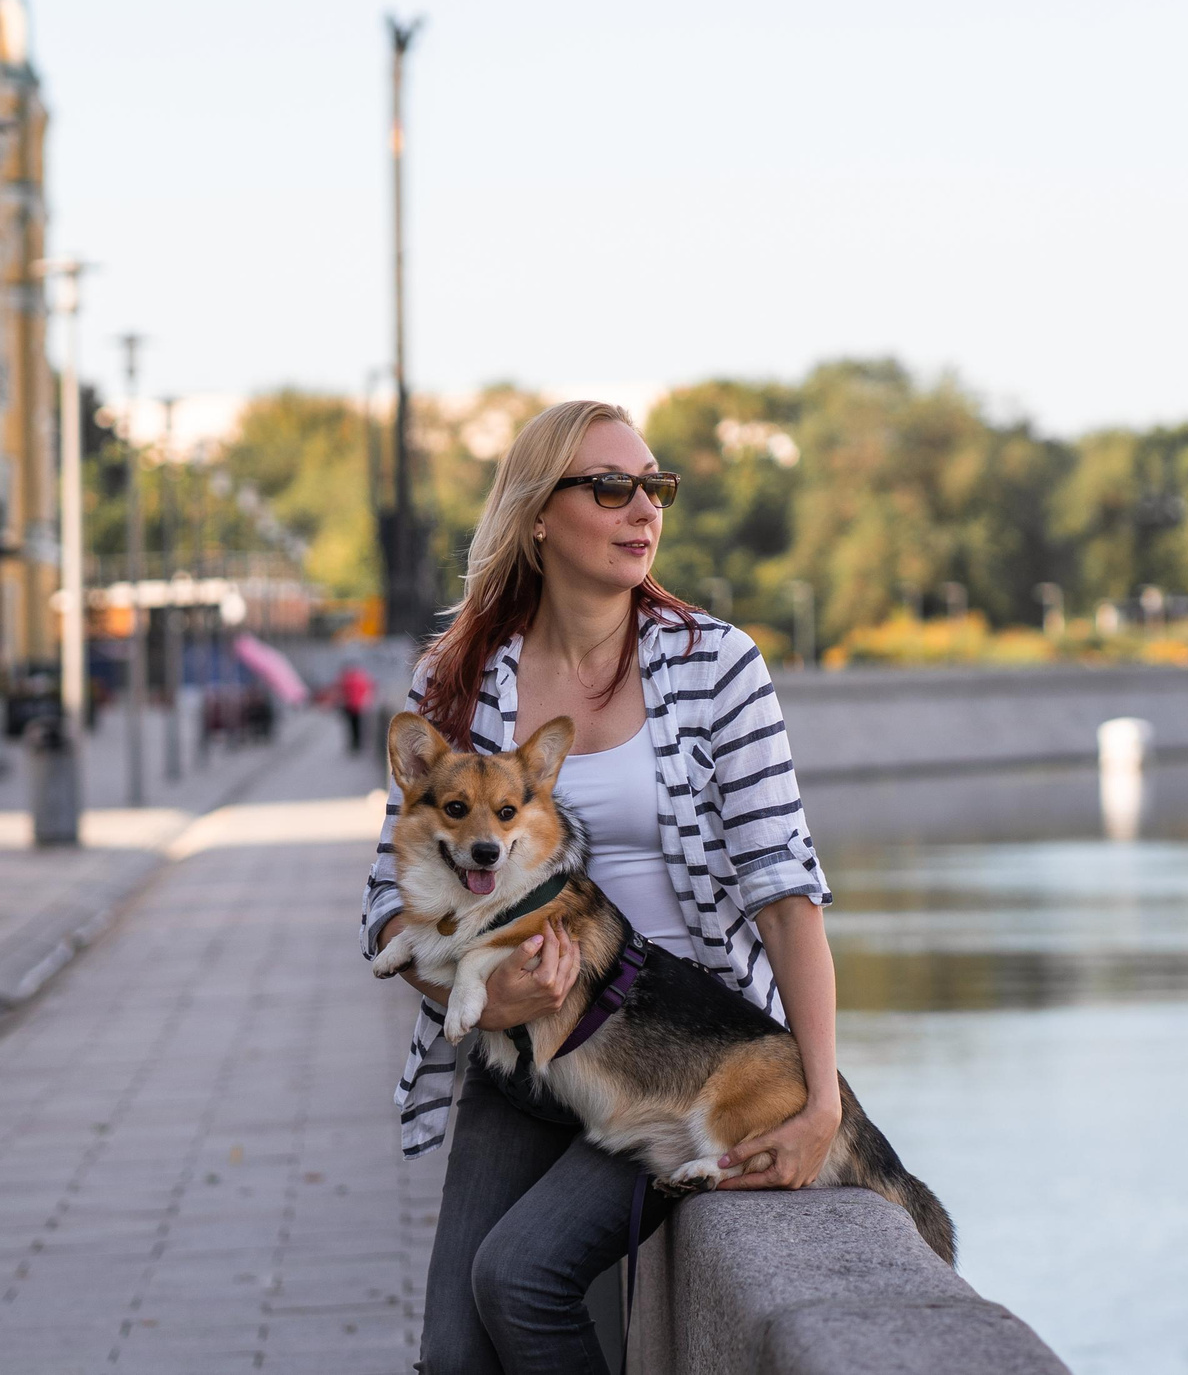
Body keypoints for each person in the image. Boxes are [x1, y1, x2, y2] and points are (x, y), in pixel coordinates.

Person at [359, 400, 835, 1375]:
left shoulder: (715, 666)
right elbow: (384, 901)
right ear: (537, 513)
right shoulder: (455, 680)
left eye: (653, 487)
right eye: (610, 487)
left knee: (520, 1281)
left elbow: (786, 895)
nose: (641, 510)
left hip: (670, 1056)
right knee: (452, 1358)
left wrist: (817, 1101)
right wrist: (487, 996)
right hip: (516, 1060)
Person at [339, 660, 377, 754]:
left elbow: (343, 692)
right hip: (358, 706)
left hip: (353, 706)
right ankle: (359, 743)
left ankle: (355, 743)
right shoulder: (362, 678)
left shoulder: (347, 679)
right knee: (359, 725)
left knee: (353, 726)